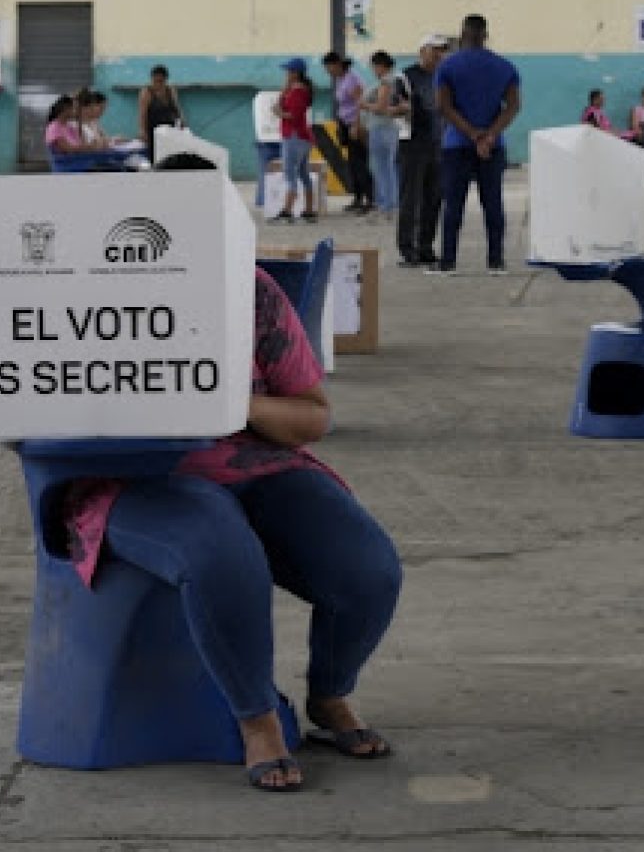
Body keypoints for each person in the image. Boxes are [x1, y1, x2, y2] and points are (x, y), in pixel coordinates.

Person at [61, 266, 402, 792]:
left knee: (368, 569)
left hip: (255, 462)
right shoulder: (68, 285)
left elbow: (311, 416)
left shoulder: (249, 288)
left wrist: (229, 400)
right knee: (221, 552)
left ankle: (329, 694)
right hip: (131, 476)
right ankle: (257, 722)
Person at [434, 14, 521, 276]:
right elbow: (513, 106)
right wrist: (490, 135)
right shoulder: (505, 67)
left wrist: (472, 133)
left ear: (462, 35)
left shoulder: (448, 67)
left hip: (457, 144)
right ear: (485, 35)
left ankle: (448, 262)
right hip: (492, 147)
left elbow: (443, 107)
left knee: (453, 204)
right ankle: (495, 261)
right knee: (493, 202)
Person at [393, 33, 448, 267]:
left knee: (433, 198)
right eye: (434, 49)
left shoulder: (444, 76)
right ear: (423, 50)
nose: (439, 54)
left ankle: (426, 246)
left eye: (442, 50)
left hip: (438, 144)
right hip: (412, 144)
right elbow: (394, 105)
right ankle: (408, 248)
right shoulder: (406, 76)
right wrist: (404, 108)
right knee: (410, 198)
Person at [323, 52, 374, 214]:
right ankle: (358, 198)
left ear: (337, 64)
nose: (328, 70)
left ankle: (370, 199)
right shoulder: (341, 79)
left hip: (355, 125)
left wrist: (356, 125)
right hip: (345, 124)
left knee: (360, 162)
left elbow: (361, 103)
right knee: (352, 162)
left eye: (329, 67)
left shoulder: (352, 79)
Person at [273, 58, 317, 222]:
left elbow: (294, 115)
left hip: (294, 136)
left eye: (289, 71)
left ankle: (287, 210)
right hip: (301, 137)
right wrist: (284, 91)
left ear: (295, 73)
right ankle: (308, 210)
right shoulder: (296, 89)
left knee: (290, 173)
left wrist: (279, 113)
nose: (286, 74)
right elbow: (282, 101)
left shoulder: (298, 91)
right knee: (303, 174)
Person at [360, 50, 401, 218]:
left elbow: (381, 107)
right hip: (390, 128)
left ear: (381, 66)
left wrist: (364, 105)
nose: (373, 70)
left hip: (381, 128)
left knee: (382, 168)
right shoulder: (397, 80)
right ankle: (390, 204)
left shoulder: (385, 82)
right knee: (388, 168)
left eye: (374, 66)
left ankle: (386, 205)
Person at [138, 65, 184, 160]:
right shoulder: (146, 92)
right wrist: (143, 131)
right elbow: (142, 114)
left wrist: (182, 121)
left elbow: (177, 108)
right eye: (155, 81)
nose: (157, 84)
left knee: (170, 156)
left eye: (160, 81)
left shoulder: (170, 91)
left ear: (165, 80)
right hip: (153, 130)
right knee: (155, 157)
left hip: (169, 129)